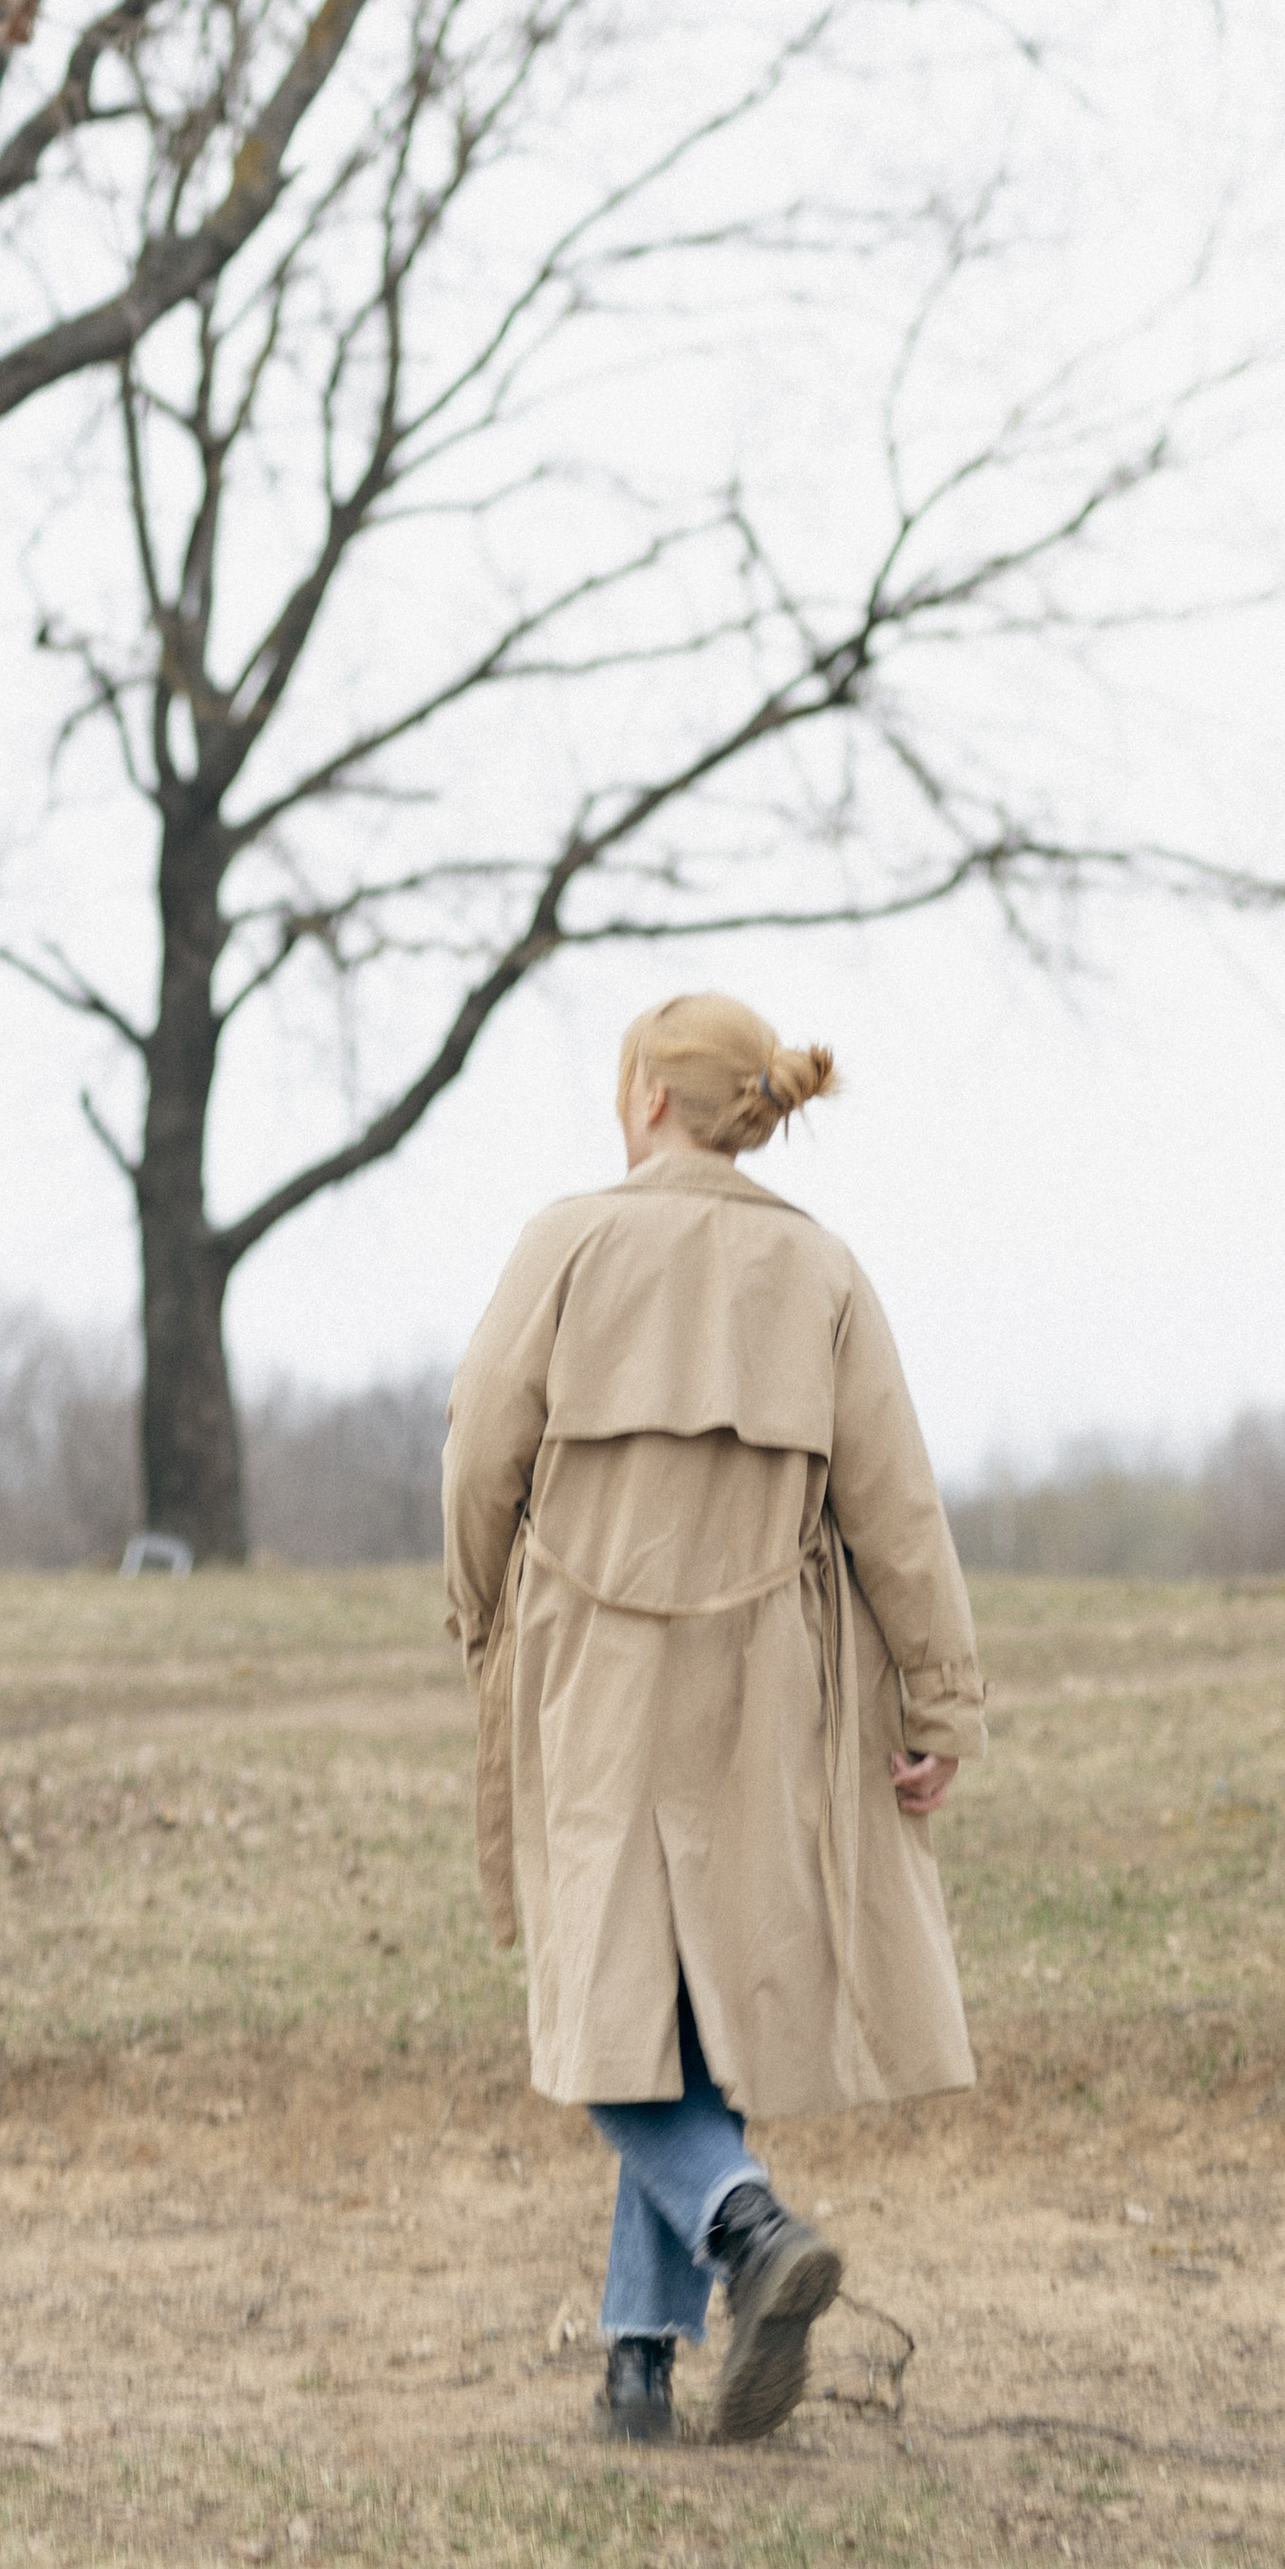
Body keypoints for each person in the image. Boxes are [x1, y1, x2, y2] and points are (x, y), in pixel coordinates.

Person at [442, 991, 986, 2447]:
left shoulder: (569, 1243)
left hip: (595, 1670)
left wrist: (480, 1613)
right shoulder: (822, 1268)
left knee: (602, 2009)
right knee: (682, 2011)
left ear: (646, 1099)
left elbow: (480, 1451)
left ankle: (746, 2226)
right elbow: (897, 1503)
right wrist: (938, 1696)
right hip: (768, 1680)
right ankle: (639, 2365)